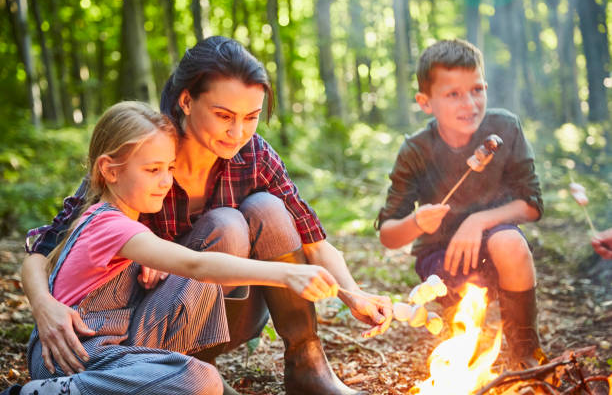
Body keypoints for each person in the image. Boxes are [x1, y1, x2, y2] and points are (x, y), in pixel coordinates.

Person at [21, 36, 391, 395]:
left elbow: (316, 242)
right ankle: (176, 376)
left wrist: (354, 295)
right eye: (223, 115)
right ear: (186, 101)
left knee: (267, 208)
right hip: (122, 325)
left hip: (227, 311)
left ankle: (306, 365)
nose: (238, 132)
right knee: (227, 225)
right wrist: (44, 307)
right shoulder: (140, 153)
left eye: (251, 117)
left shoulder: (254, 156)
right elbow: (45, 248)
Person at [4, 101, 341, 395]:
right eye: (152, 170)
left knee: (195, 375)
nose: (166, 181)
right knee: (200, 381)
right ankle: (48, 392)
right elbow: (197, 265)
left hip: (119, 344)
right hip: (73, 356)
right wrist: (286, 272)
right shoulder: (109, 224)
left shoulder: (124, 220)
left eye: (169, 168)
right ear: (109, 170)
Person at [376, 39, 546, 369]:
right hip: (442, 259)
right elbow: (388, 235)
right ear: (425, 102)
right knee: (463, 323)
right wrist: (416, 223)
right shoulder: (415, 150)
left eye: (477, 90)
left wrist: (478, 220)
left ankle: (526, 353)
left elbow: (532, 204)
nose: (469, 103)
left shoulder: (505, 128)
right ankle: (461, 353)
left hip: (497, 242)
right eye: (453, 94)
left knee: (510, 241)